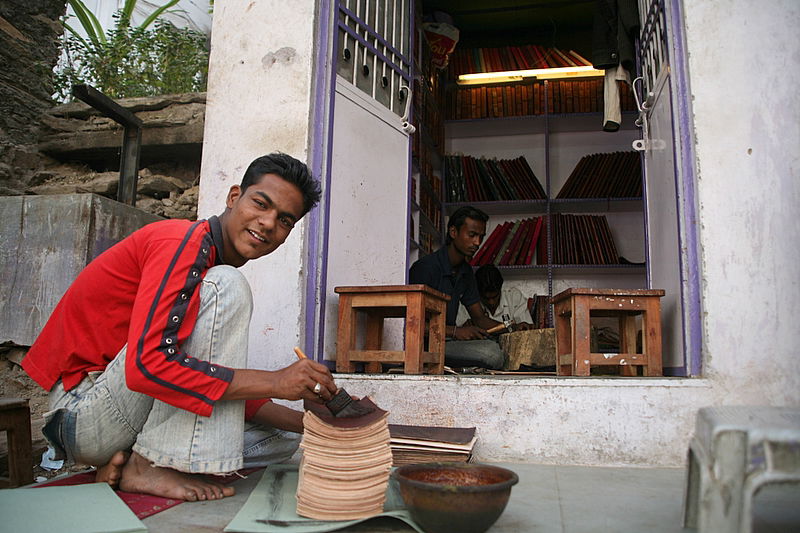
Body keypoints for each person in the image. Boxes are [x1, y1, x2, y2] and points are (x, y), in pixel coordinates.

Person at [21, 153, 338, 502]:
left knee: (286, 438)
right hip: (82, 413)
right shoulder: (182, 243)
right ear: (234, 197)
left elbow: (213, 386)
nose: (267, 223)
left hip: (123, 414)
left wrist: (316, 424)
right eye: (260, 204)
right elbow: (147, 367)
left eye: (284, 220)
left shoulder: (204, 263)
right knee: (225, 284)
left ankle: (130, 462)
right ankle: (146, 466)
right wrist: (277, 380)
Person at [408, 206, 505, 370]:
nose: (478, 243)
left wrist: (511, 330)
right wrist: (455, 332)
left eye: (481, 237)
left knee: (496, 344)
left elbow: (479, 319)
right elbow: (412, 325)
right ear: (453, 232)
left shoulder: (466, 271)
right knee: (492, 353)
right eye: (472, 235)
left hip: (449, 341)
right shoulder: (426, 268)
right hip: (426, 344)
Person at [456, 264, 534, 331]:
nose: (491, 302)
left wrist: (517, 327)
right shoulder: (466, 301)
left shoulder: (514, 297)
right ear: (477, 293)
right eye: (486, 298)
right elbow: (458, 330)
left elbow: (524, 328)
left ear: (500, 289)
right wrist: (464, 328)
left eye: (495, 297)